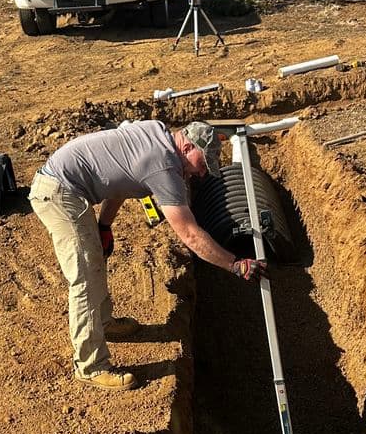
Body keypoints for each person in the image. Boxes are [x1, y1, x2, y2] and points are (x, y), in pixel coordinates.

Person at [29, 119, 267, 390]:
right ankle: (90, 366)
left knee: (93, 260)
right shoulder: (165, 166)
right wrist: (235, 264)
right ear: (187, 146)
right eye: (202, 164)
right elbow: (189, 234)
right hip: (59, 192)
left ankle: (104, 323)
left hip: (65, 183)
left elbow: (119, 180)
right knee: (84, 275)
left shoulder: (157, 132)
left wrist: (104, 225)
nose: (201, 173)